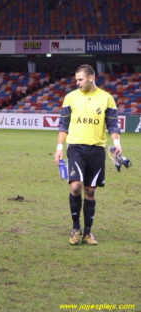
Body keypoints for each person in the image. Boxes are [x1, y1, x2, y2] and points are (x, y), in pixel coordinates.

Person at [54, 64, 122, 245]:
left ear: (91, 78)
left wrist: (116, 144)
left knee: (90, 191)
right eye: (76, 79)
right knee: (76, 186)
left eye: (80, 79)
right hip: (75, 148)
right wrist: (59, 147)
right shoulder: (70, 98)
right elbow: (63, 125)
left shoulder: (107, 98)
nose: (77, 83)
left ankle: (88, 232)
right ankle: (75, 228)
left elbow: (113, 125)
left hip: (97, 150)